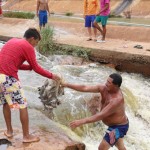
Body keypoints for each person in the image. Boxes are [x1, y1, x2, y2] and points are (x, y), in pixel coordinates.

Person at [0, 28, 60, 143]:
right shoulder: (27, 46)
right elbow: (37, 68)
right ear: (32, 39)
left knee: (6, 103)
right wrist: (52, 75)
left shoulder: (12, 41)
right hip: (9, 78)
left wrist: (28, 67)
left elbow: (11, 63)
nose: (35, 46)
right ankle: (26, 136)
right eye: (36, 43)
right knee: (22, 106)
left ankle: (9, 131)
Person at [62, 73, 129, 150]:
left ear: (116, 86)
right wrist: (66, 85)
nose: (106, 84)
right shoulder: (104, 88)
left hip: (118, 127)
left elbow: (100, 115)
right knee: (120, 147)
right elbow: (85, 87)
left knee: (102, 148)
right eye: (107, 81)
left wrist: (81, 121)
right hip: (115, 125)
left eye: (109, 83)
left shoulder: (117, 100)